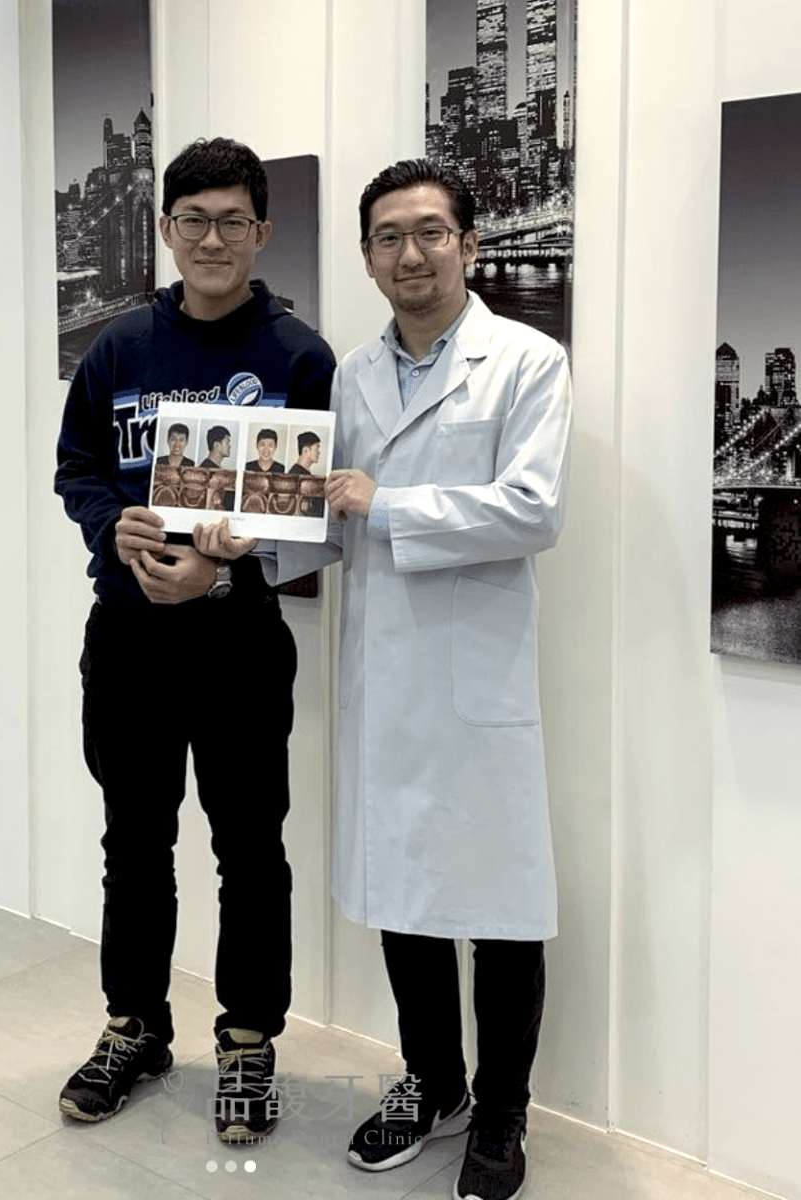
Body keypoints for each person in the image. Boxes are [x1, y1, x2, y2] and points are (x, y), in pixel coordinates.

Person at [275, 158, 570, 1199]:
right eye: (388, 238)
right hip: (384, 675)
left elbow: (533, 509)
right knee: (404, 892)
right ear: (367, 258)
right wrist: (247, 539)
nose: (410, 253)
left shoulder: (526, 360)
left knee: (499, 905)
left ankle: (500, 1111)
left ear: (469, 245)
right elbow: (326, 523)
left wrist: (387, 504)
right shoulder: (350, 374)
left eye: (430, 232)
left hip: (476, 678)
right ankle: (432, 1082)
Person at [53, 137, 335, 1143]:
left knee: (249, 849)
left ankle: (248, 1040)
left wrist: (220, 571)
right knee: (134, 843)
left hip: (238, 641)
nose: (212, 240)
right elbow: (77, 467)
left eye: (232, 222)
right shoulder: (119, 345)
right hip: (128, 636)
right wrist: (112, 525)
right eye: (193, 221)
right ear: (166, 231)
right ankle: (134, 1026)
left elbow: (313, 523)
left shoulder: (300, 356)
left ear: (261, 232)